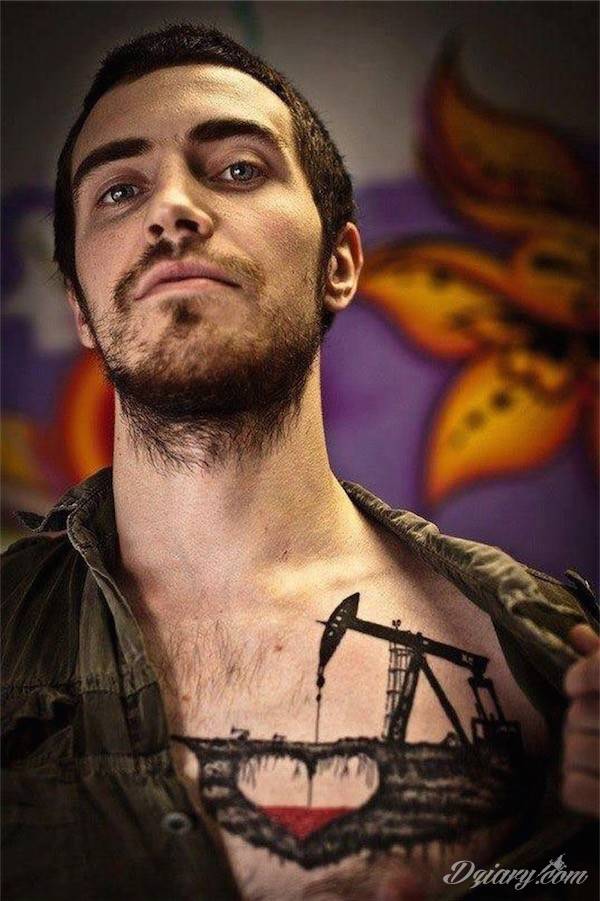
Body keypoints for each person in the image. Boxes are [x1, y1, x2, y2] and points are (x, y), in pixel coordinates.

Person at [2, 22, 598, 901]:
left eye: (238, 169)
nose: (173, 208)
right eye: (120, 190)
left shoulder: (546, 664)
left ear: (340, 264)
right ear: (81, 309)